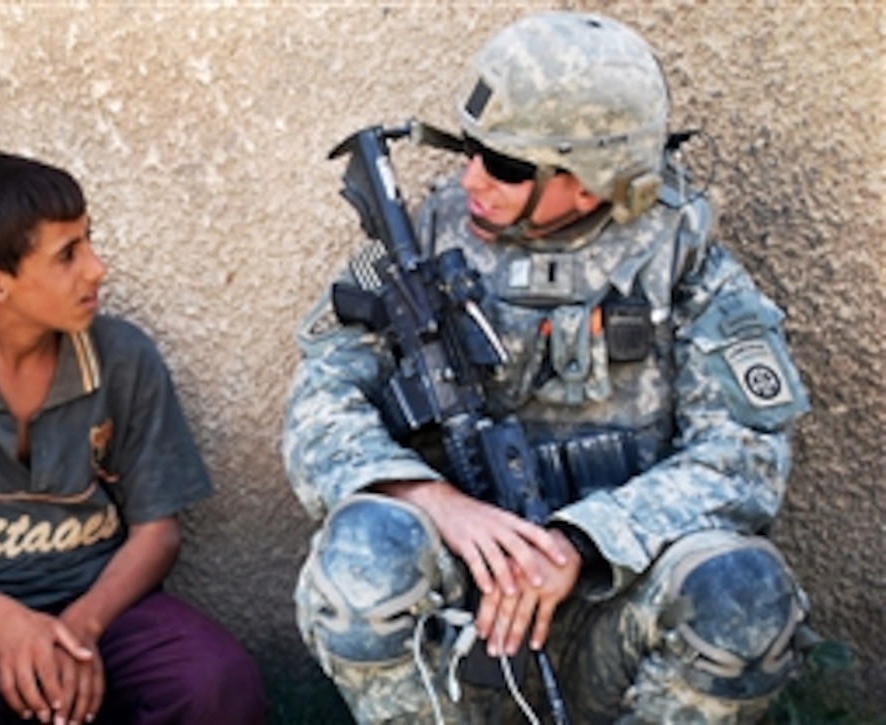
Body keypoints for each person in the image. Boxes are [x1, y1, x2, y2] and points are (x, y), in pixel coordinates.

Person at [283, 11, 812, 724]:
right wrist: (434, 500)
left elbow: (746, 458)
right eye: (472, 148)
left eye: (504, 164)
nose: (472, 177)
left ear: (592, 182)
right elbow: (320, 400)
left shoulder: (682, 260)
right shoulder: (420, 247)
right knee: (363, 558)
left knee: (745, 596)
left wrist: (584, 541)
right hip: (459, 619)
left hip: (616, 612)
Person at [0, 151, 268, 725]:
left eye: (89, 241)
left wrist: (81, 627)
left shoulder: (123, 358)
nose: (97, 268)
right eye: (68, 254)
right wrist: (5, 622)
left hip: (109, 606)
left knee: (216, 683)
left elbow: (157, 534)